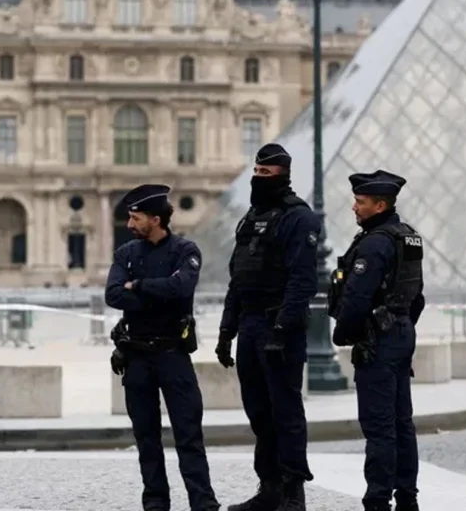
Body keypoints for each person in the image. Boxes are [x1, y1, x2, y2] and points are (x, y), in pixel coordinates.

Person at [216, 143, 319, 511]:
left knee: (286, 412)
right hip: (250, 324)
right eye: (256, 173)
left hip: (280, 326)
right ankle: (269, 487)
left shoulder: (299, 218)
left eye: (265, 174)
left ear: (283, 176)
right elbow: (237, 278)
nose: (258, 179)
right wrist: (226, 331)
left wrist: (281, 329)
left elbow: (302, 282)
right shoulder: (249, 218)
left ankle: (293, 491)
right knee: (258, 412)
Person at [105, 183, 219, 511]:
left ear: (155, 219)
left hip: (173, 355)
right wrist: (160, 293)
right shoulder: (126, 253)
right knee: (146, 439)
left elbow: (181, 287)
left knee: (189, 436)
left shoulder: (185, 250)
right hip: (137, 356)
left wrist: (139, 286)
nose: (129, 225)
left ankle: (203, 503)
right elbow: (113, 295)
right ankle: (155, 504)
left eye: (135, 218)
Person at [330, 170, 426, 511]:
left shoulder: (374, 244)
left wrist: (343, 333)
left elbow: (356, 298)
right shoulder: (408, 237)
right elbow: (418, 298)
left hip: (378, 341)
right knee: (403, 424)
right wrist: (400, 325)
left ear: (380, 204)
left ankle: (377, 501)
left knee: (379, 427)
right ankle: (408, 498)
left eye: (360, 202)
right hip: (401, 334)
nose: (354, 207)